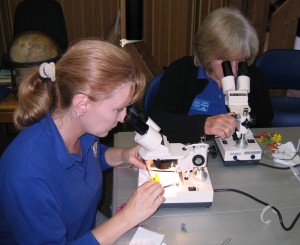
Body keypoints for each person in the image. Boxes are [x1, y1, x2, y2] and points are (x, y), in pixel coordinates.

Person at [0, 39, 165, 244]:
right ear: (82, 104)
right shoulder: (27, 176)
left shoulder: (83, 128)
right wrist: (126, 218)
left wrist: (123, 155)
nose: (124, 118)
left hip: (85, 226)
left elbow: (91, 158)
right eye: (118, 109)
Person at [148, 7, 273, 143]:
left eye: (240, 61)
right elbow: (157, 120)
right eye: (226, 61)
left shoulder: (253, 77)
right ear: (207, 54)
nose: (235, 71)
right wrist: (203, 124)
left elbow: (264, 124)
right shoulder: (181, 71)